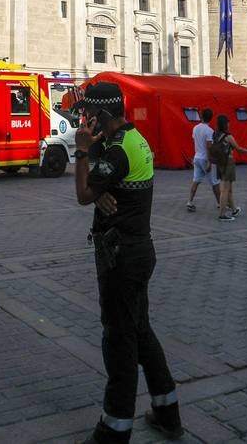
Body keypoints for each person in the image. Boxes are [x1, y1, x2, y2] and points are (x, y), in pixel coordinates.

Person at [72, 82, 182, 443]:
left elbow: (83, 194)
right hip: (139, 251)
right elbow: (99, 189)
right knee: (140, 332)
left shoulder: (116, 152)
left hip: (121, 258)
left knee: (119, 341)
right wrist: (102, 189)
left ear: (103, 115)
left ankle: (114, 428)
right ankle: (167, 411)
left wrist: (82, 152)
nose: (85, 119)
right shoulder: (134, 139)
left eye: (90, 114)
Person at [213, 114, 247, 222]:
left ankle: (234, 209)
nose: (229, 124)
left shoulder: (215, 134)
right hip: (228, 163)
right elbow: (238, 148)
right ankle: (222, 214)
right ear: (225, 124)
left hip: (220, 163)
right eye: (228, 122)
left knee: (229, 189)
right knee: (225, 190)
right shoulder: (228, 136)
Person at [186, 108, 220, 212]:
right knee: (215, 182)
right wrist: (210, 162)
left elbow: (195, 141)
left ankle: (190, 202)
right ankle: (220, 203)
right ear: (211, 118)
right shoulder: (210, 131)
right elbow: (209, 146)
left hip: (197, 157)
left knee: (196, 180)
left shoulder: (195, 128)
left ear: (201, 116)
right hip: (205, 159)